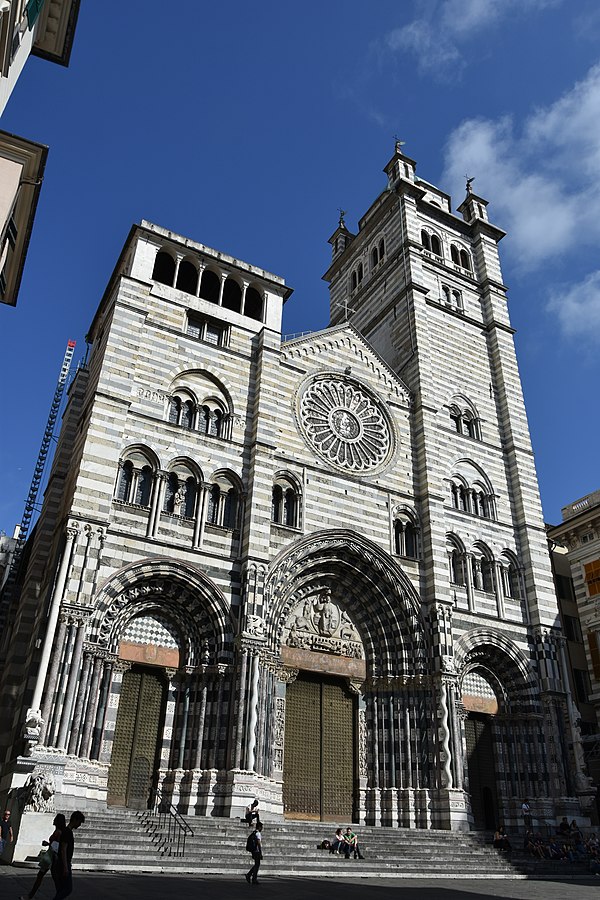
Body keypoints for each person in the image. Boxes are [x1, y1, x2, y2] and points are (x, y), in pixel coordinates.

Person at [19, 814, 66, 900]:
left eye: (55, 819)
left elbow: (57, 846)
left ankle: (31, 896)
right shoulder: (58, 831)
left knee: (48, 878)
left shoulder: (58, 832)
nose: (54, 820)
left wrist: (48, 844)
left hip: (51, 857)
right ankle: (31, 895)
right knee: (45, 877)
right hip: (51, 856)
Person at [50, 810, 85, 900]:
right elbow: (63, 849)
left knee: (61, 889)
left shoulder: (65, 831)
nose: (79, 825)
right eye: (79, 822)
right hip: (63, 863)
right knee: (67, 889)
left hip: (60, 863)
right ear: (75, 820)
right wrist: (65, 867)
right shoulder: (67, 832)